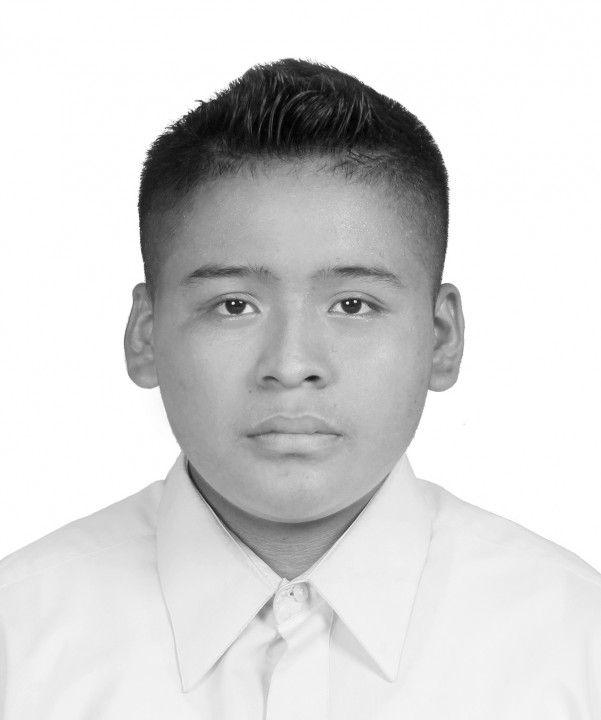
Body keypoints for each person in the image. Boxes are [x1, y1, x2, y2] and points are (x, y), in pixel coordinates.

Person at [0, 59, 599, 719]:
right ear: (145, 335)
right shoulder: (18, 643)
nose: (290, 365)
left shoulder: (575, 644)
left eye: (352, 305)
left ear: (441, 337)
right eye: (233, 305)